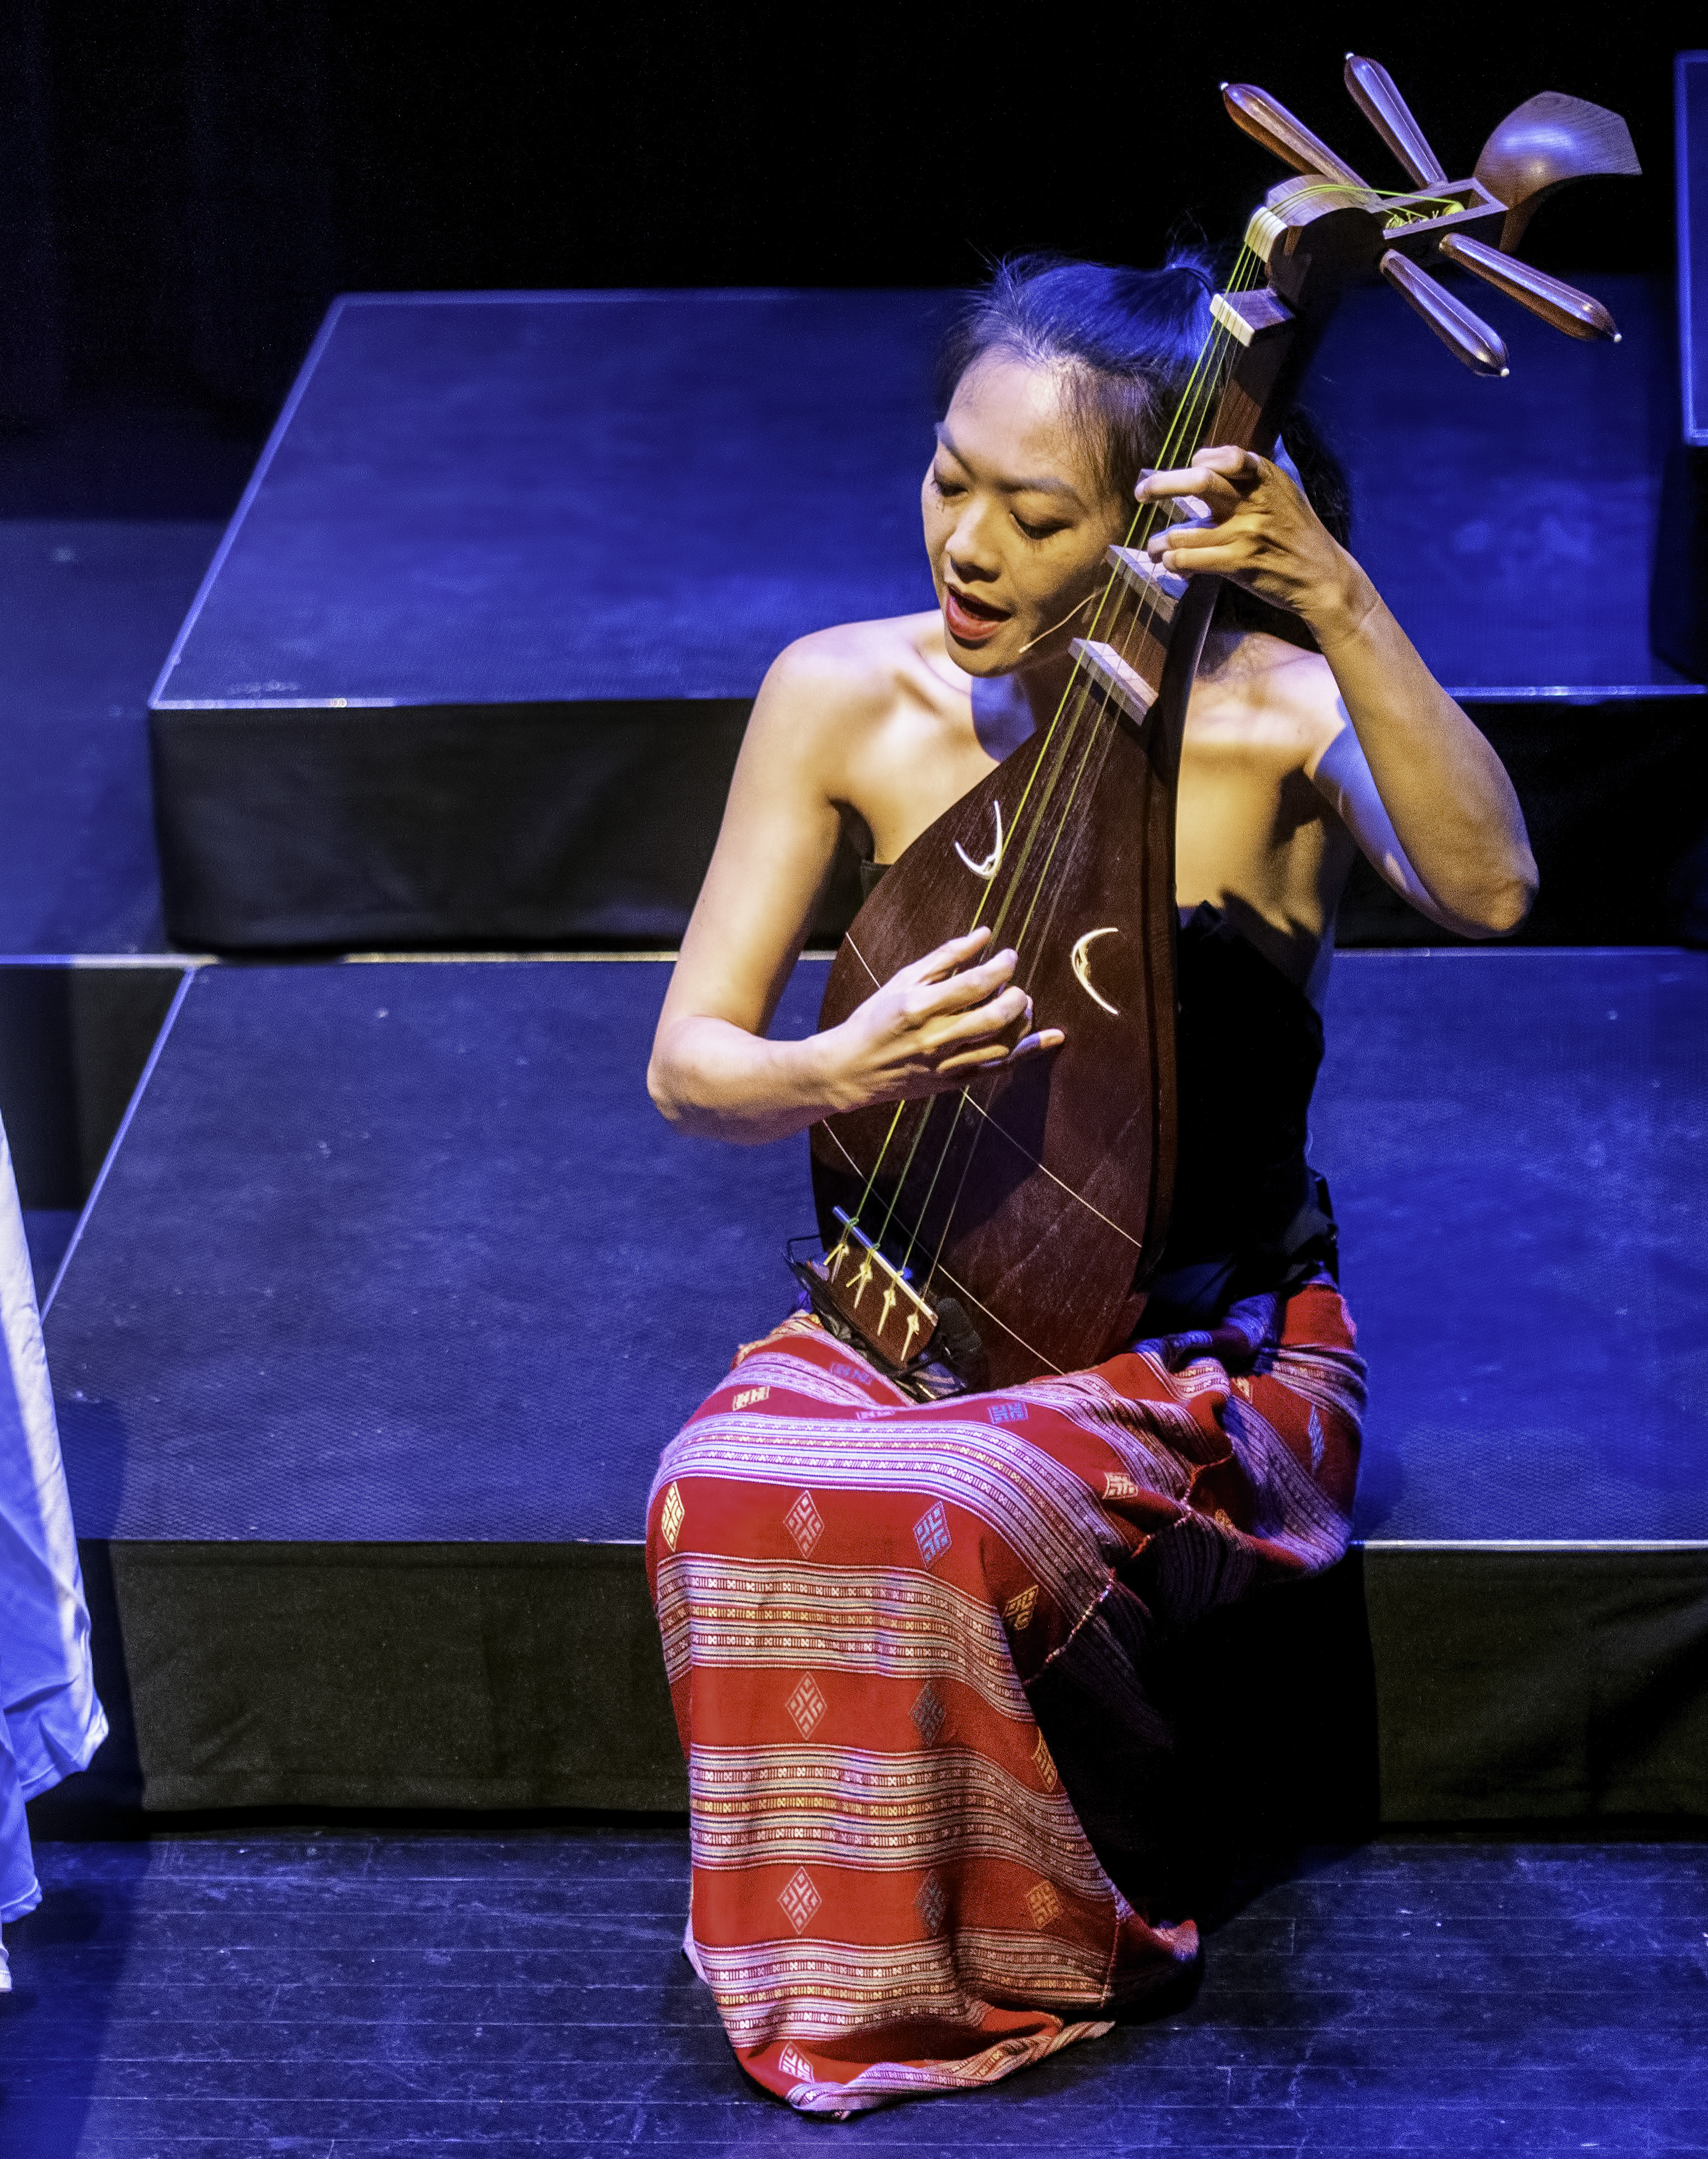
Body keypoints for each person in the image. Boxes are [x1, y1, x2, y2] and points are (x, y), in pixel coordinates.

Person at [640, 253, 1535, 2115]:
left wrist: (1338, 599)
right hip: (908, 1312)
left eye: (1032, 515)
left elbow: (1495, 886)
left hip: (1204, 1348)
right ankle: (834, 1969)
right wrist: (837, 1065)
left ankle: (1053, 1941)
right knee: (713, 1487)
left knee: (952, 1510)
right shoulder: (840, 695)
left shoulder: (1276, 721)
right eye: (947, 480)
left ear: (1151, 528)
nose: (965, 542)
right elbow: (693, 1066)